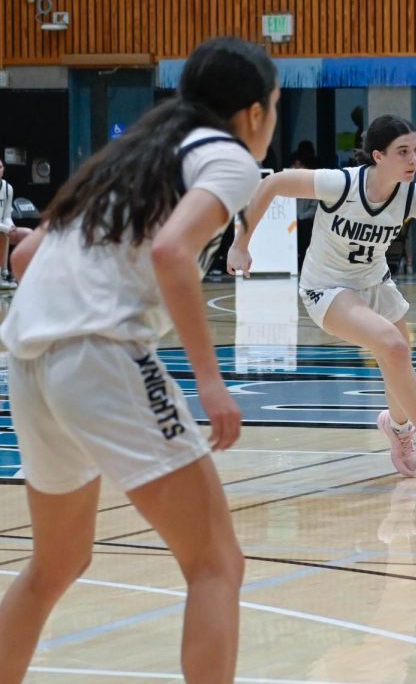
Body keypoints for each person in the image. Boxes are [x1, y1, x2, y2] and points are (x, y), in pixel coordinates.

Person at [0, 36, 279, 684]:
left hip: (28, 356)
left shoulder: (126, 155)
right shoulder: (231, 159)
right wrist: (210, 381)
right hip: (100, 353)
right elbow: (172, 253)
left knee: (56, 561)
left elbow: (22, 258)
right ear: (254, 112)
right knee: (216, 561)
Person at [227, 115, 416, 476]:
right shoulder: (339, 184)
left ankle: (396, 428)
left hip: (376, 284)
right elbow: (271, 183)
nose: (413, 159)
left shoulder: (414, 198)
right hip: (327, 288)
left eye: (415, 150)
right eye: (402, 152)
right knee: (394, 346)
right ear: (378, 155)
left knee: (397, 361)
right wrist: (240, 244)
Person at [0, 160, 32, 289]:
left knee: (28, 234)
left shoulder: (8, 188)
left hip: (3, 228)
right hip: (2, 231)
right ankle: (2, 273)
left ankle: (16, 274)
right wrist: (7, 229)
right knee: (3, 233)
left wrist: (11, 226)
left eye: (0, 167)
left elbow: (7, 216)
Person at [289, 142, 318, 268]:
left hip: (305, 220)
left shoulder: (314, 181)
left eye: (298, 164)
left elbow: (314, 207)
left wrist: (300, 217)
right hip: (292, 220)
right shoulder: (288, 179)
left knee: (305, 229)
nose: (295, 167)